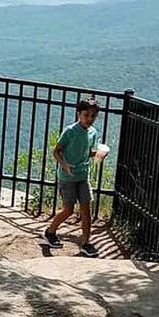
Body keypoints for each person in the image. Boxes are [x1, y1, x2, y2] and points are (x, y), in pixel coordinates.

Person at [42, 98, 102, 258]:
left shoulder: (93, 133)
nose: (89, 119)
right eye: (86, 115)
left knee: (86, 210)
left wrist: (100, 153)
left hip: (83, 175)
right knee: (68, 210)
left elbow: (88, 152)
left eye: (93, 116)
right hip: (67, 177)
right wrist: (64, 165)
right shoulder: (70, 131)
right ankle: (50, 231)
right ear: (79, 114)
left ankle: (86, 243)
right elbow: (56, 151)